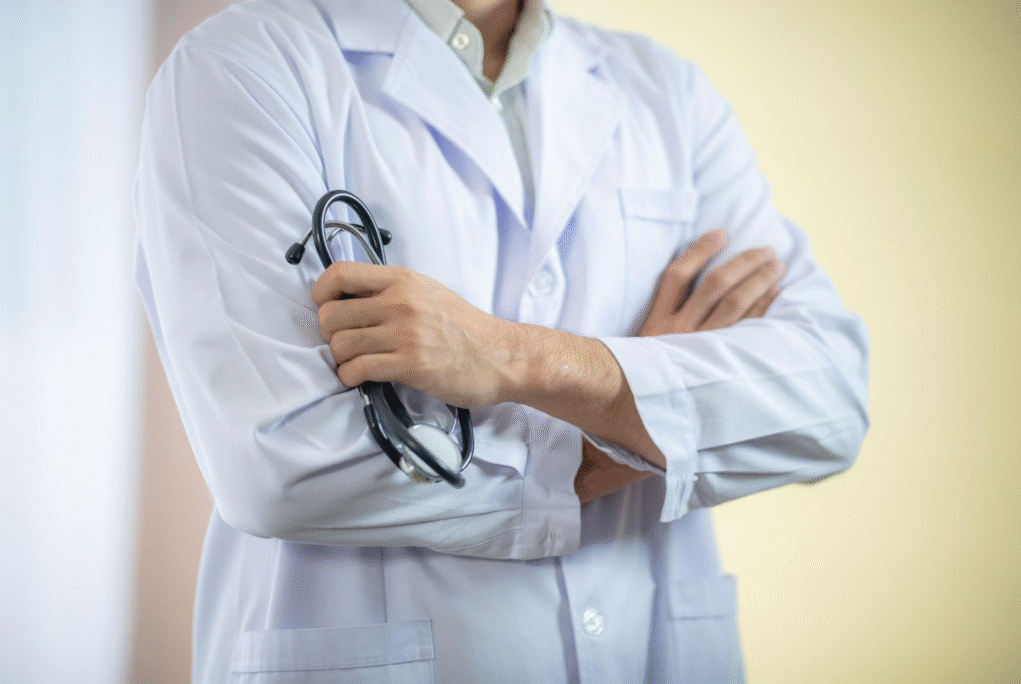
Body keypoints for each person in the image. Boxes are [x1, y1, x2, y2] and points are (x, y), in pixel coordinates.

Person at [134, 0, 870, 681]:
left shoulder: (668, 93)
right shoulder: (244, 67)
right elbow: (284, 463)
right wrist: (651, 414)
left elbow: (828, 400)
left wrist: (513, 357)